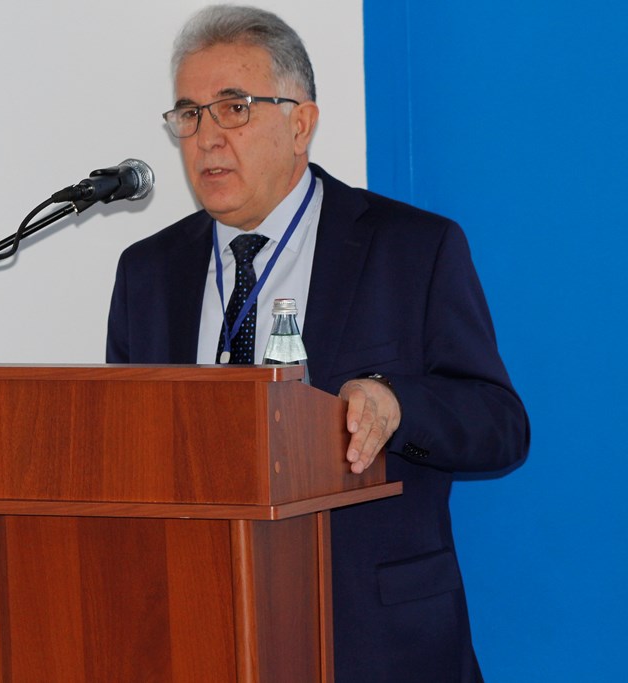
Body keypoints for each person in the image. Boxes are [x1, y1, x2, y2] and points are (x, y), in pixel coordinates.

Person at [105, 6, 529, 682]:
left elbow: (499, 425)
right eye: (188, 114)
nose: (207, 138)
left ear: (300, 122)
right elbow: (128, 454)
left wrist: (397, 405)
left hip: (376, 643)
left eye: (233, 108)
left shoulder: (412, 247)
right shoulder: (148, 273)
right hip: (201, 634)